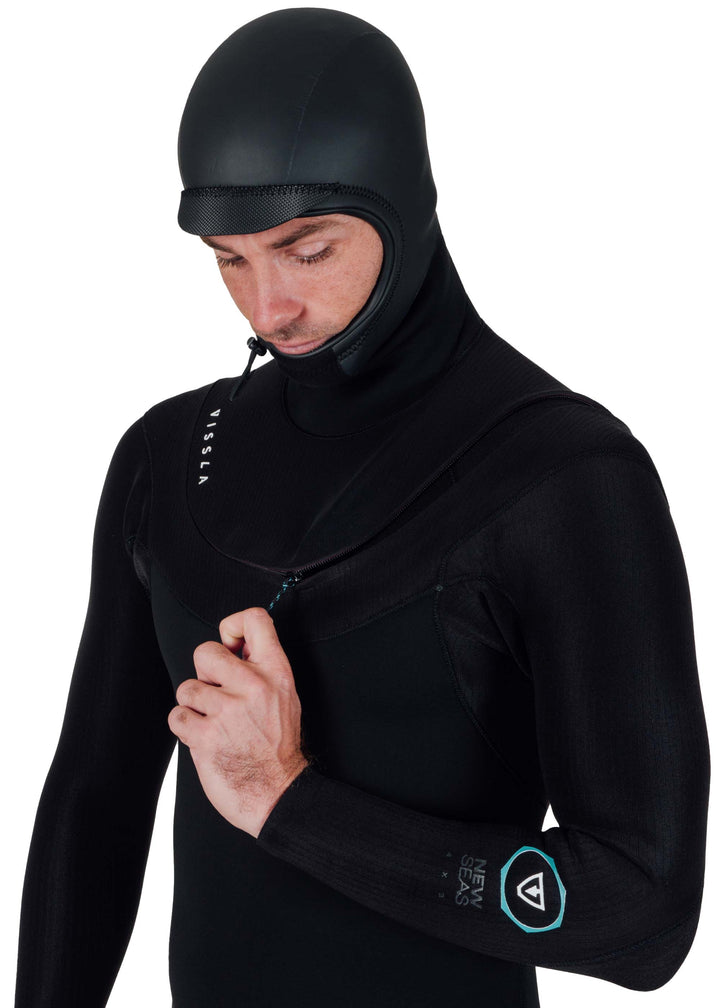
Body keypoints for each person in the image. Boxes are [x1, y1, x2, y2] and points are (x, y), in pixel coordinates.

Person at [13, 7, 710, 1008]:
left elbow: (643, 915)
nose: (268, 307)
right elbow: (95, 801)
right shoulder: (165, 457)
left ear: (400, 205)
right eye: (229, 257)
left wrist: (286, 800)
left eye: (306, 249)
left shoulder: (564, 476)